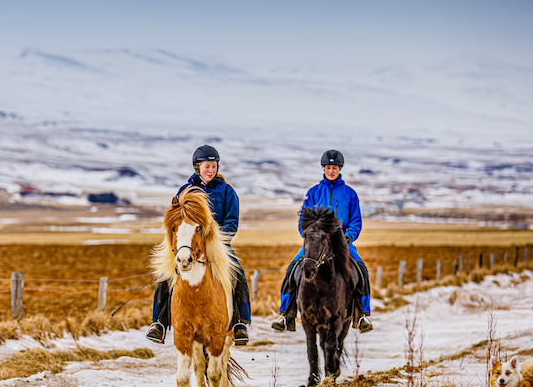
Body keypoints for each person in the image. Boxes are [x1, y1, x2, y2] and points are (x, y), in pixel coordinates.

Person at [146, 145, 252, 346]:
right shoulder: (186, 191)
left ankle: (240, 323)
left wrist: (214, 237)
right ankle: (158, 322)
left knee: (238, 273)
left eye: (214, 166)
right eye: (206, 166)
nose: (211, 170)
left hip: (217, 245)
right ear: (197, 168)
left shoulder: (227, 192)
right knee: (165, 276)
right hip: (189, 245)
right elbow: (178, 219)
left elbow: (232, 222)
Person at [272, 149, 373, 333]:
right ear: (323, 169)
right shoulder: (313, 192)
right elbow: (303, 220)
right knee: (292, 270)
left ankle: (362, 315)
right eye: (328, 167)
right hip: (316, 243)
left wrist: (347, 237)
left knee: (361, 271)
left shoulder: (350, 194)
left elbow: (356, 221)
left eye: (334, 167)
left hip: (342, 242)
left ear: (339, 169)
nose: (331, 171)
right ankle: (286, 314)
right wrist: (311, 236)